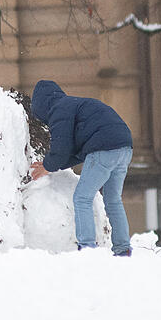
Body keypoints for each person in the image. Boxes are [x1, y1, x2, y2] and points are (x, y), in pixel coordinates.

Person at [29, 80, 134, 256]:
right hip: (124, 147)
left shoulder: (58, 110)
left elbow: (61, 147)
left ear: (40, 105)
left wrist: (48, 165)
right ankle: (122, 248)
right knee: (113, 199)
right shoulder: (73, 105)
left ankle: (86, 248)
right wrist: (53, 164)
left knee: (82, 198)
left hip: (104, 148)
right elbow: (75, 152)